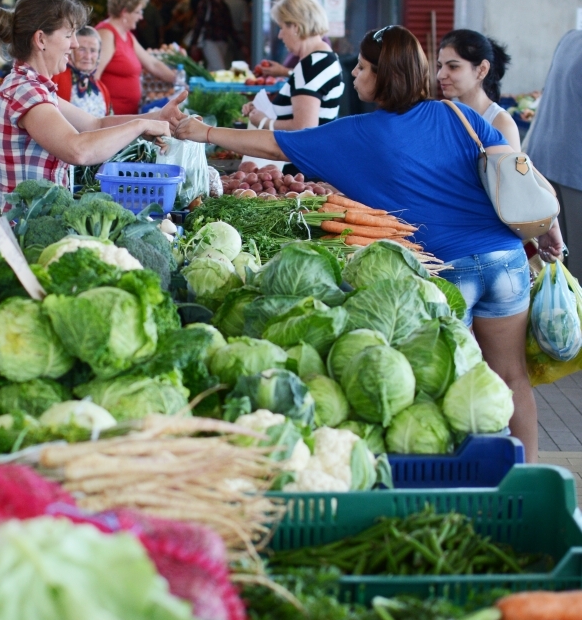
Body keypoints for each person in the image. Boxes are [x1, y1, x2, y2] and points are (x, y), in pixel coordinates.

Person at [176, 24, 565, 462]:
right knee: (511, 377)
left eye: (362, 68)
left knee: (457, 386)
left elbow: (273, 144)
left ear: (384, 76)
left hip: (447, 272)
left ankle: (472, 478)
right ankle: (527, 472)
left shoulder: (356, 133)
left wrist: (204, 133)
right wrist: (548, 225)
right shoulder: (457, 114)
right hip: (505, 260)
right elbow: (517, 168)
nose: (354, 75)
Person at [0, 0, 186, 205]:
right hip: (22, 223)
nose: (75, 44)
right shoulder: (26, 92)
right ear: (41, 39)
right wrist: (139, 126)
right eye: (68, 35)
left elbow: (95, 124)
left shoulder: (32, 86)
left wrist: (157, 117)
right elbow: (78, 150)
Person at [523, 30, 582, 282]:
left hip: (545, 161)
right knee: (573, 268)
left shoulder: (571, 39)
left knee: (559, 264)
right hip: (573, 172)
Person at [243, 0, 344, 131]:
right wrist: (262, 111)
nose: (280, 35)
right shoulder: (324, 58)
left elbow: (304, 127)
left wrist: (263, 121)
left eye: (281, 27)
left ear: (295, 27)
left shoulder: (311, 65)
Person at [95, 0, 180, 115]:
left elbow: (152, 64)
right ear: (124, 12)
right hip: (112, 116)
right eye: (138, 12)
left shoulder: (127, 35)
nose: (141, 17)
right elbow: (94, 76)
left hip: (127, 115)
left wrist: (178, 80)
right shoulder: (106, 35)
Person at [437, 29, 521, 151]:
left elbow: (512, 164)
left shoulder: (501, 123)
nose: (440, 75)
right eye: (440, 66)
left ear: (482, 69)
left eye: (453, 67)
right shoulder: (445, 115)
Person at [189, 0, 246, 71]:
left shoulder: (224, 6)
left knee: (213, 68)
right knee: (219, 67)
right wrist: (194, 43)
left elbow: (230, 27)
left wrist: (240, 44)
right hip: (209, 40)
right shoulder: (206, 4)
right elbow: (198, 24)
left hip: (223, 41)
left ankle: (209, 80)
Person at [54, 26, 111, 116]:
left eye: (93, 50)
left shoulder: (102, 88)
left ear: (99, 54)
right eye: (82, 49)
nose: (88, 56)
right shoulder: (55, 78)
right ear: (71, 51)